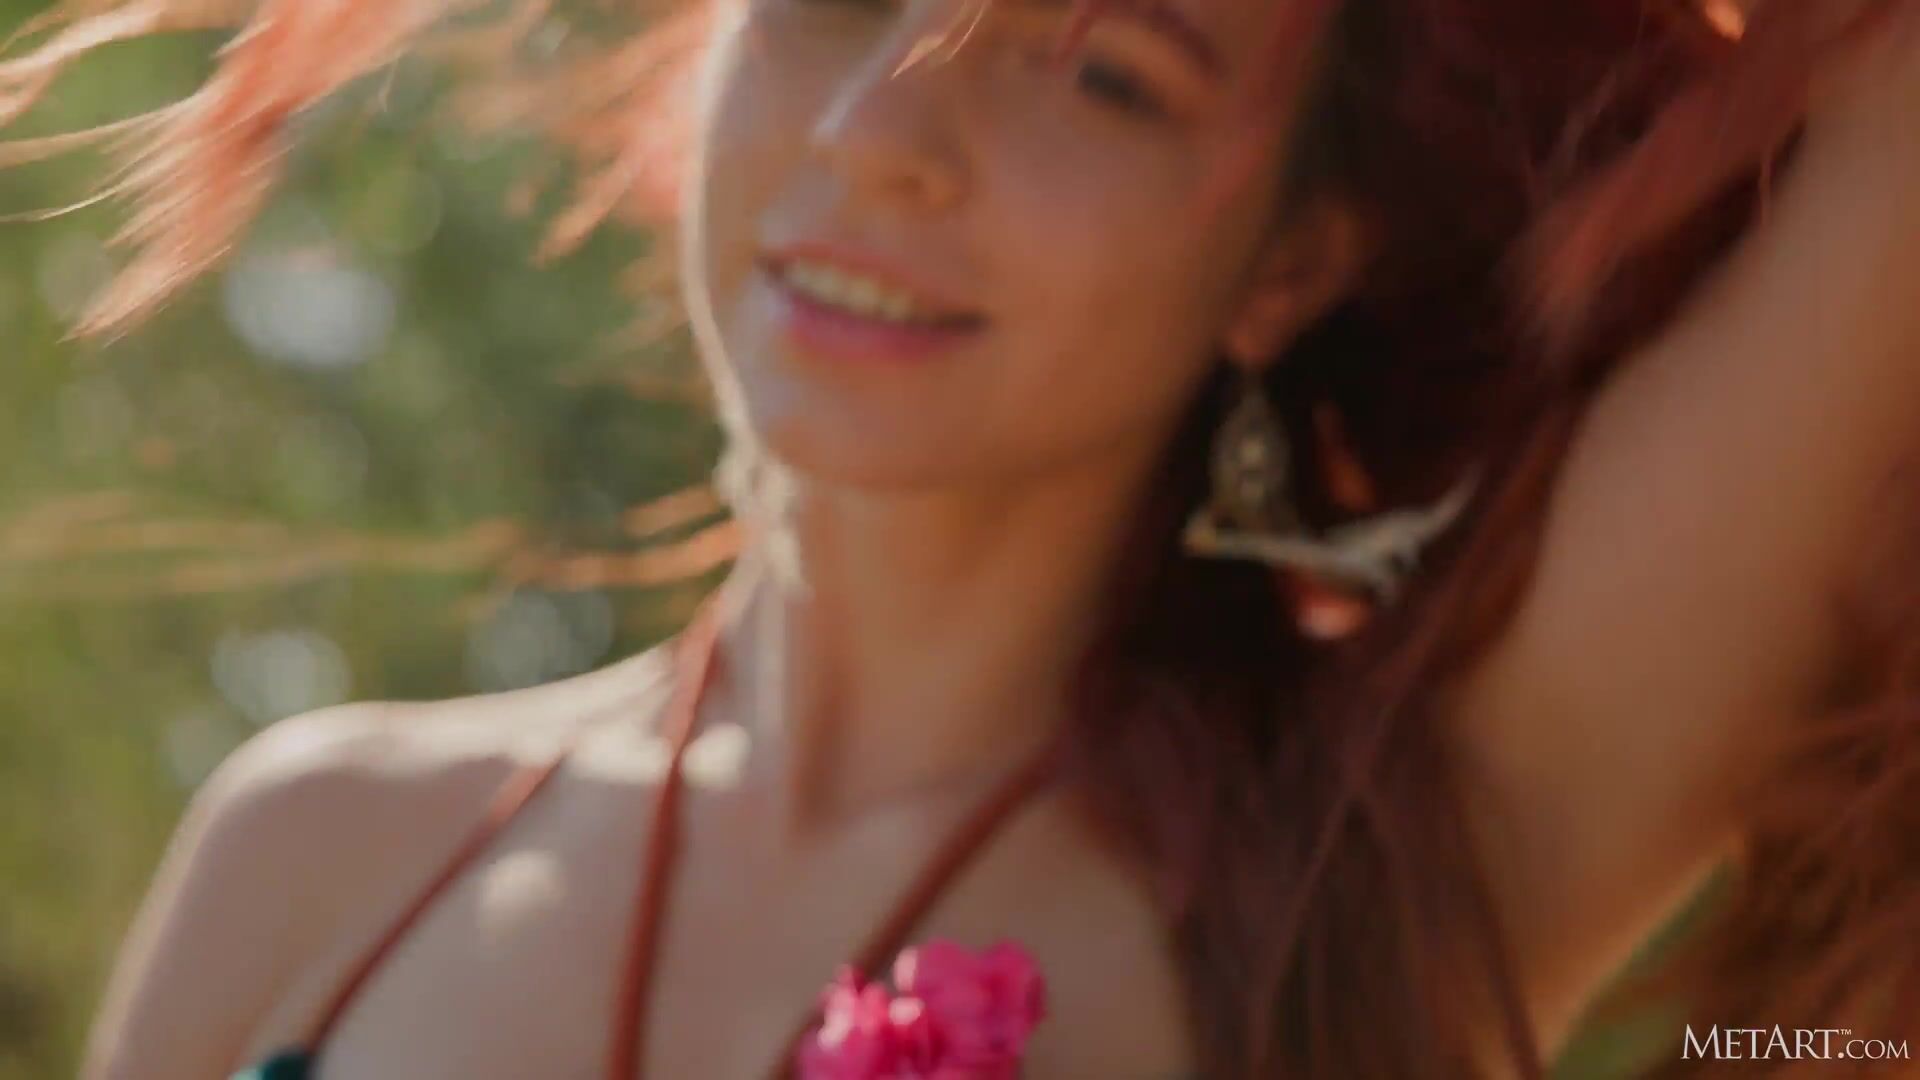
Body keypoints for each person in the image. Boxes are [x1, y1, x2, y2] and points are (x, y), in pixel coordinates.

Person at [15, 0, 1917, 1075]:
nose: (879, 132)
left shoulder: (1379, 880)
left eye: (1102, 71)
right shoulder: (318, 848)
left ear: (1295, 260)